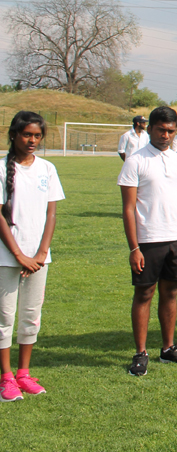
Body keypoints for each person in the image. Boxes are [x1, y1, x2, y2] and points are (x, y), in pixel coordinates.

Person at [118, 106, 177, 377]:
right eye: (161, 130)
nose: (166, 135)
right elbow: (128, 208)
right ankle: (140, 352)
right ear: (149, 129)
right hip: (148, 240)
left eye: (171, 131)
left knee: (171, 292)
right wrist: (134, 247)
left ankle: (168, 348)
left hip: (176, 239)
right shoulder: (135, 161)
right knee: (144, 293)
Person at [0, 112, 64, 402]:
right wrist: (18, 254)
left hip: (38, 259)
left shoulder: (47, 168)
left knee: (31, 316)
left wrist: (40, 253)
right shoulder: (2, 168)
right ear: (14, 134)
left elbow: (51, 214)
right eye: (27, 134)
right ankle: (6, 377)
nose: (32, 140)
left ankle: (24, 374)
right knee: (4, 318)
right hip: (7, 257)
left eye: (37, 136)